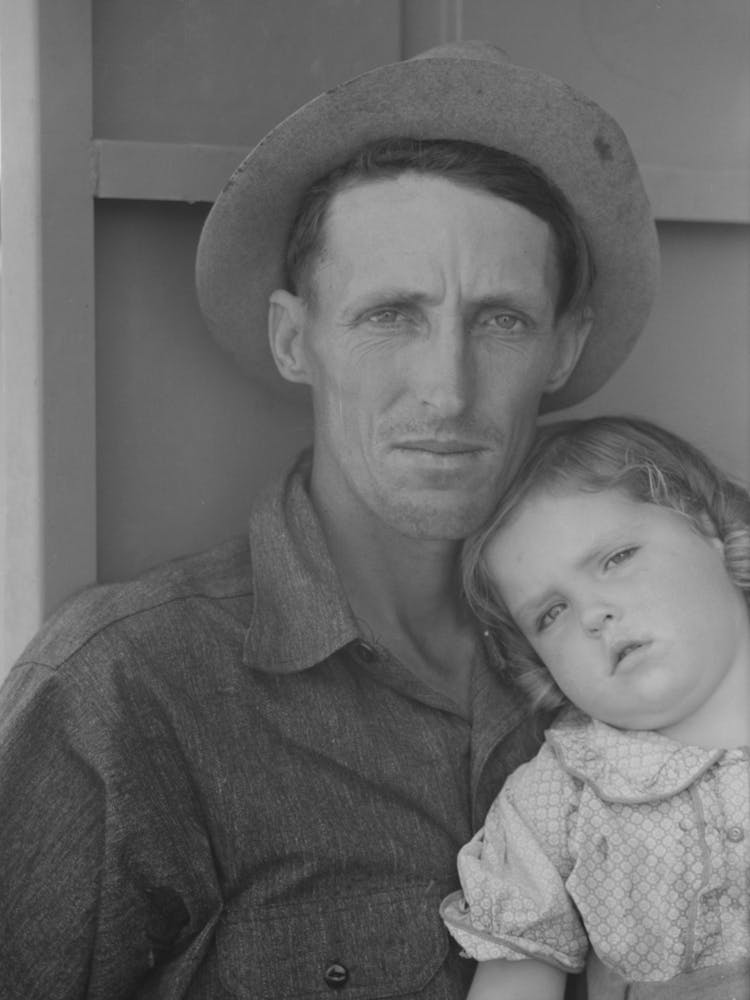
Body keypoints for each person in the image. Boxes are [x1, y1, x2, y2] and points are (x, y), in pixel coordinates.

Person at [0, 43, 658, 999]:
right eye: (392, 315)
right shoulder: (129, 689)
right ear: (292, 338)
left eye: (501, 320)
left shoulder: (642, 653)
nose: (447, 389)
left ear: (565, 346)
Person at [441, 416, 750, 1000]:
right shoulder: (555, 801)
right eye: (551, 614)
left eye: (616, 558)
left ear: (706, 526)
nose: (592, 614)